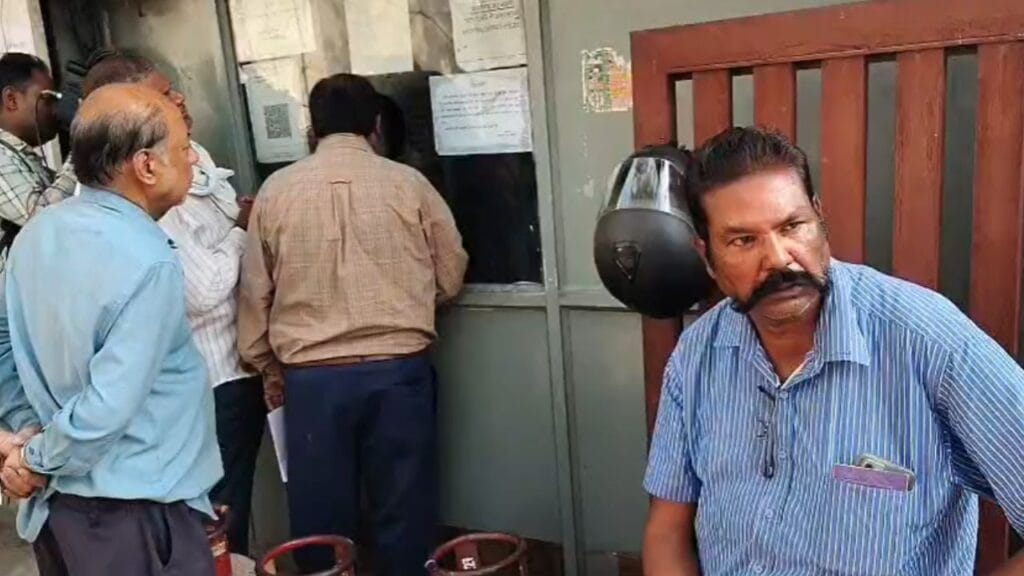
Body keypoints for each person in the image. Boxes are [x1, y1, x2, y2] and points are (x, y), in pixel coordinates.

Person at [641, 127, 1024, 575]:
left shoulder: (925, 340)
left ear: (819, 218)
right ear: (707, 257)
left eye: (792, 226)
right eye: (743, 240)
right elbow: (667, 532)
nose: (778, 259)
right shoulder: (698, 356)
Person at [238, 73, 467, 575]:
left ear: (312, 128)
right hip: (398, 373)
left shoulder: (276, 192)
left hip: (313, 383)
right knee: (405, 512)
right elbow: (451, 273)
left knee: (321, 519)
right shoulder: (410, 185)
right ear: (376, 124)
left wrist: (266, 366)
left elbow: (255, 292)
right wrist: (407, 305)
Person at [0, 83, 220, 576]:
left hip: (60, 515)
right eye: (184, 148)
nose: (193, 160)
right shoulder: (147, 261)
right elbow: (106, 407)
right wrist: (33, 457)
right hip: (135, 518)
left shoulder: (36, 235)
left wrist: (25, 429)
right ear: (146, 166)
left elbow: (2, 340)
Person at [51, 50, 263, 556]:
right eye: (164, 95)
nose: (180, 99)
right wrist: (242, 233)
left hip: (230, 368)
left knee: (221, 520)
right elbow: (202, 291)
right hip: (208, 382)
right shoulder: (142, 195)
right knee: (211, 526)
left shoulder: (187, 158)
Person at [0, 52, 66, 265]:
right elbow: (43, 221)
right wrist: (86, 143)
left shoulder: (19, 156)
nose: (54, 110)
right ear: (11, 100)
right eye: (48, 99)